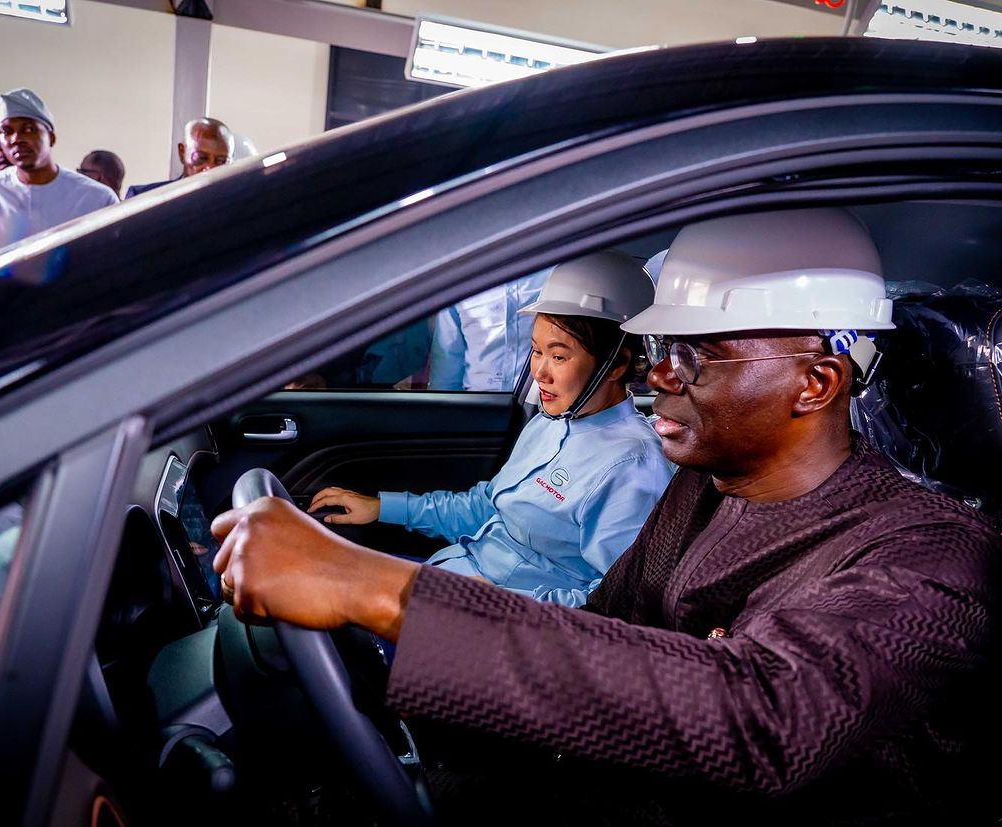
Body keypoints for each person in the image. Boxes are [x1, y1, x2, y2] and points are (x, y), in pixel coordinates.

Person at [212, 208, 998, 823]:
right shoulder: (709, 484)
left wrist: (384, 592)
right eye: (659, 346)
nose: (656, 375)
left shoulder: (932, 561)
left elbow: (764, 718)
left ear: (816, 382)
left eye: (694, 354)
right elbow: (608, 624)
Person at [309, 251, 672, 607]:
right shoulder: (550, 423)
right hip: (452, 577)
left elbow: (610, 603)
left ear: (617, 363)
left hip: (492, 626)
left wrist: (494, 605)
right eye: (536, 351)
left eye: (558, 356)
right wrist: (383, 507)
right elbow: (485, 506)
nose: (539, 372)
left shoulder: (632, 467)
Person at [0, 88, 117, 260]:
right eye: (6, 131)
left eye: (28, 129)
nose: (16, 138)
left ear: (51, 137)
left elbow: (111, 266)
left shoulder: (97, 198)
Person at [429, 269, 550, 390]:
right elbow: (446, 363)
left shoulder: (552, 273)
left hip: (537, 401)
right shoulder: (459, 283)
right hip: (476, 402)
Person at [125, 117, 234, 198]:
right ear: (182, 152)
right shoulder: (142, 198)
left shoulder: (242, 207)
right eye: (201, 158)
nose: (210, 168)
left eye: (221, 161)